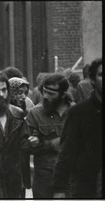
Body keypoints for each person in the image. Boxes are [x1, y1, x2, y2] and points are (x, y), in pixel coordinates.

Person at [52, 58, 102, 198]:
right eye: (102, 75)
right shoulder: (79, 113)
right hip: (87, 187)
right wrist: (59, 188)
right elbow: (67, 152)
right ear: (92, 79)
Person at [21, 73, 74, 198]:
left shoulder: (75, 112)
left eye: (51, 93)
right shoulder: (35, 114)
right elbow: (23, 145)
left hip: (71, 177)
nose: (45, 96)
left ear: (62, 94)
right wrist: (50, 144)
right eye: (44, 91)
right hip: (45, 180)